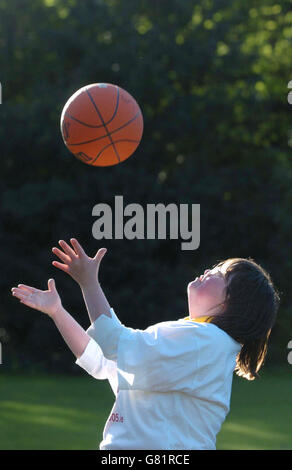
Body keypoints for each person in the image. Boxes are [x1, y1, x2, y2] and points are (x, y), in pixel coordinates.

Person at [11, 238, 280, 450]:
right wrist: (58, 311)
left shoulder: (205, 341)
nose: (209, 270)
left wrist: (89, 283)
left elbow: (114, 343)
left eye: (220, 274)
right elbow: (103, 361)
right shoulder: (194, 341)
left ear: (232, 304)